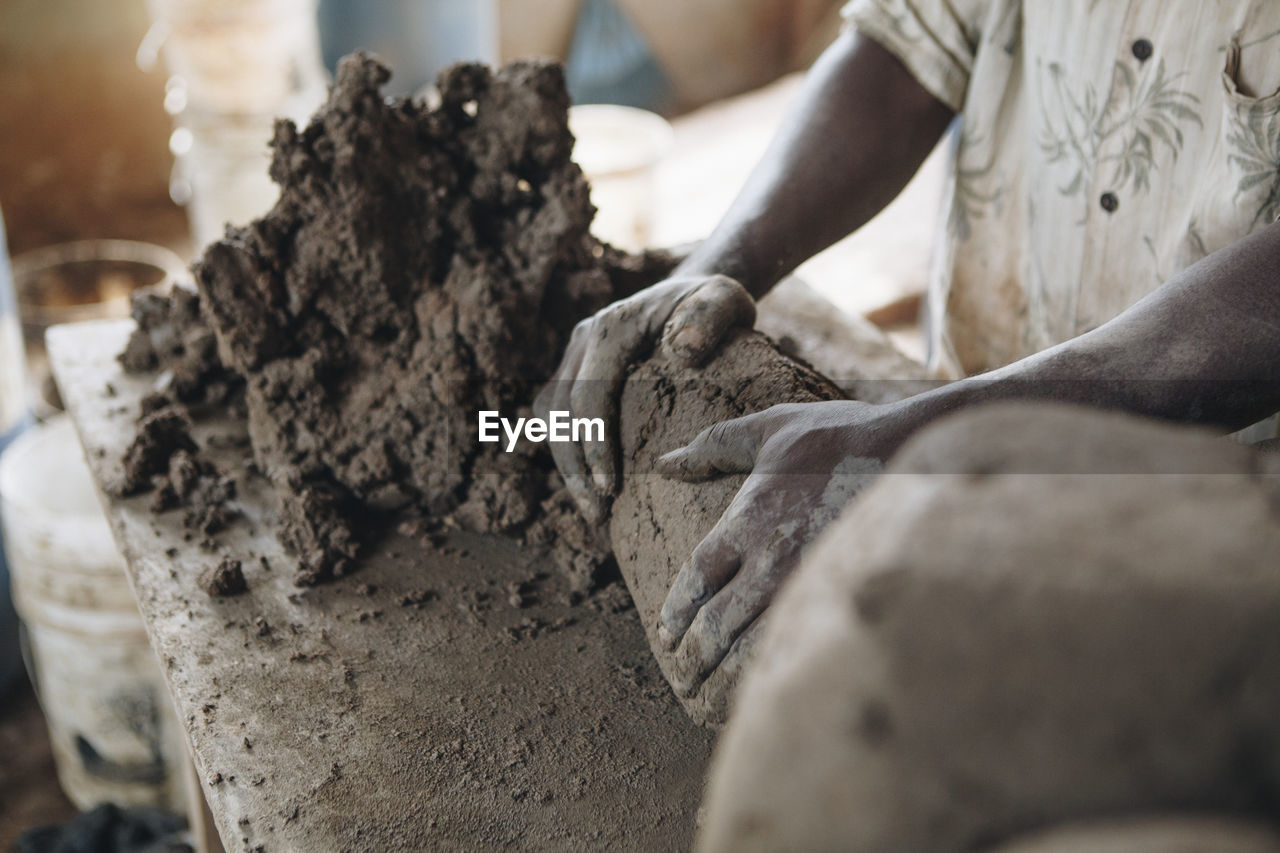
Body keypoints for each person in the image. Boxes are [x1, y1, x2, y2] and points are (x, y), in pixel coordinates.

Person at [538, 0, 1280, 699]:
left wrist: (921, 439)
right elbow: (904, 46)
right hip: (978, 386)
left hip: (1235, 523)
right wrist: (715, 269)